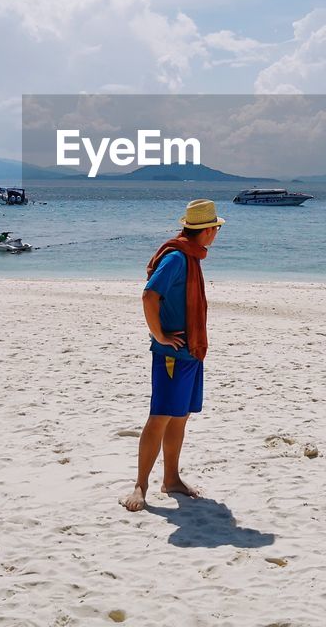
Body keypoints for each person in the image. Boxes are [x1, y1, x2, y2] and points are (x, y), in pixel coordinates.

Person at [121, 198, 225, 512]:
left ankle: (171, 479)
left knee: (180, 416)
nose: (216, 234)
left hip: (191, 350)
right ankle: (140, 485)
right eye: (215, 229)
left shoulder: (191, 257)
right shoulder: (178, 258)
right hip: (172, 353)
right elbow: (149, 295)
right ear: (206, 231)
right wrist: (159, 334)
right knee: (160, 417)